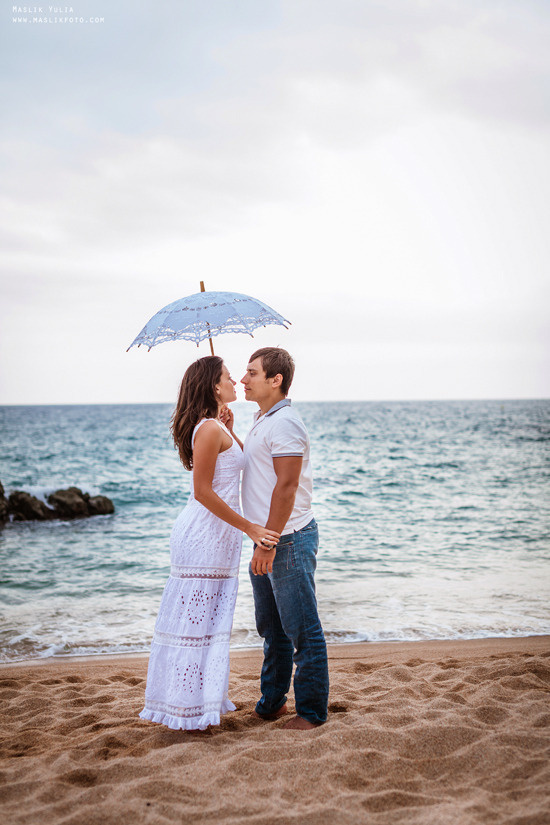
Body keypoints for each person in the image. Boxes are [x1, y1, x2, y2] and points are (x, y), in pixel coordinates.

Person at [139, 356, 279, 731]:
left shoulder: (217, 427)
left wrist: (231, 430)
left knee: (209, 623)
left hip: (219, 536)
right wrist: (249, 527)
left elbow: (241, 466)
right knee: (195, 623)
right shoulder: (208, 429)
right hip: (203, 535)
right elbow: (202, 492)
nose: (236, 382)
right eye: (228, 377)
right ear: (215, 387)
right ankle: (182, 707)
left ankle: (201, 701)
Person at [224, 347, 329, 729]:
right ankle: (272, 703)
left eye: (252, 373)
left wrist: (268, 543)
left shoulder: (285, 423)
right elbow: (256, 465)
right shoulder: (263, 419)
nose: (243, 379)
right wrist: (231, 431)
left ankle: (312, 713)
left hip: (287, 539)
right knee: (272, 629)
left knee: (302, 629)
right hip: (266, 538)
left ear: (276, 379)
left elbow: (287, 487)